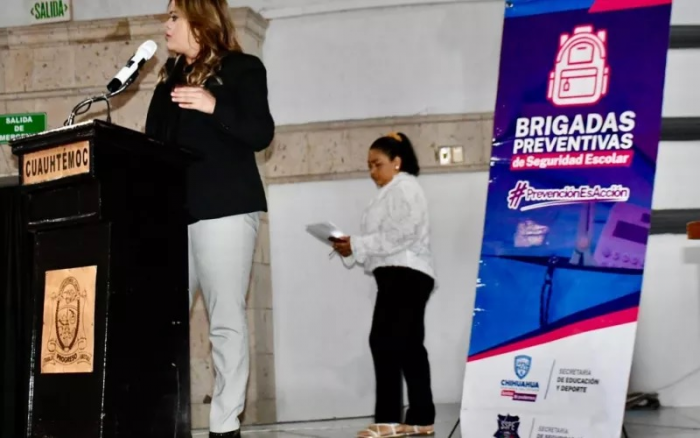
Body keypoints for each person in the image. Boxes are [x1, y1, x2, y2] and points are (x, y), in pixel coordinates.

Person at [145, 0, 275, 437]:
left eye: (174, 17)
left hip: (225, 210)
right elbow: (153, 147)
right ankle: (164, 419)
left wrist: (212, 105)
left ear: (200, 22)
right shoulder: (168, 80)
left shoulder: (242, 69)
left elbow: (261, 132)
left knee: (225, 321)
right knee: (163, 320)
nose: (166, 25)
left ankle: (224, 425)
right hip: (174, 217)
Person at [332, 132, 436, 438]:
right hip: (399, 274)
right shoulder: (390, 192)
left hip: (405, 273)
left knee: (385, 342)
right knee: (408, 346)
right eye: (369, 166)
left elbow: (404, 232)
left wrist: (358, 244)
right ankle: (421, 417)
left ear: (397, 162)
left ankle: (389, 419)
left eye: (377, 164)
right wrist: (352, 249)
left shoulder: (405, 186)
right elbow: (382, 243)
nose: (372, 171)